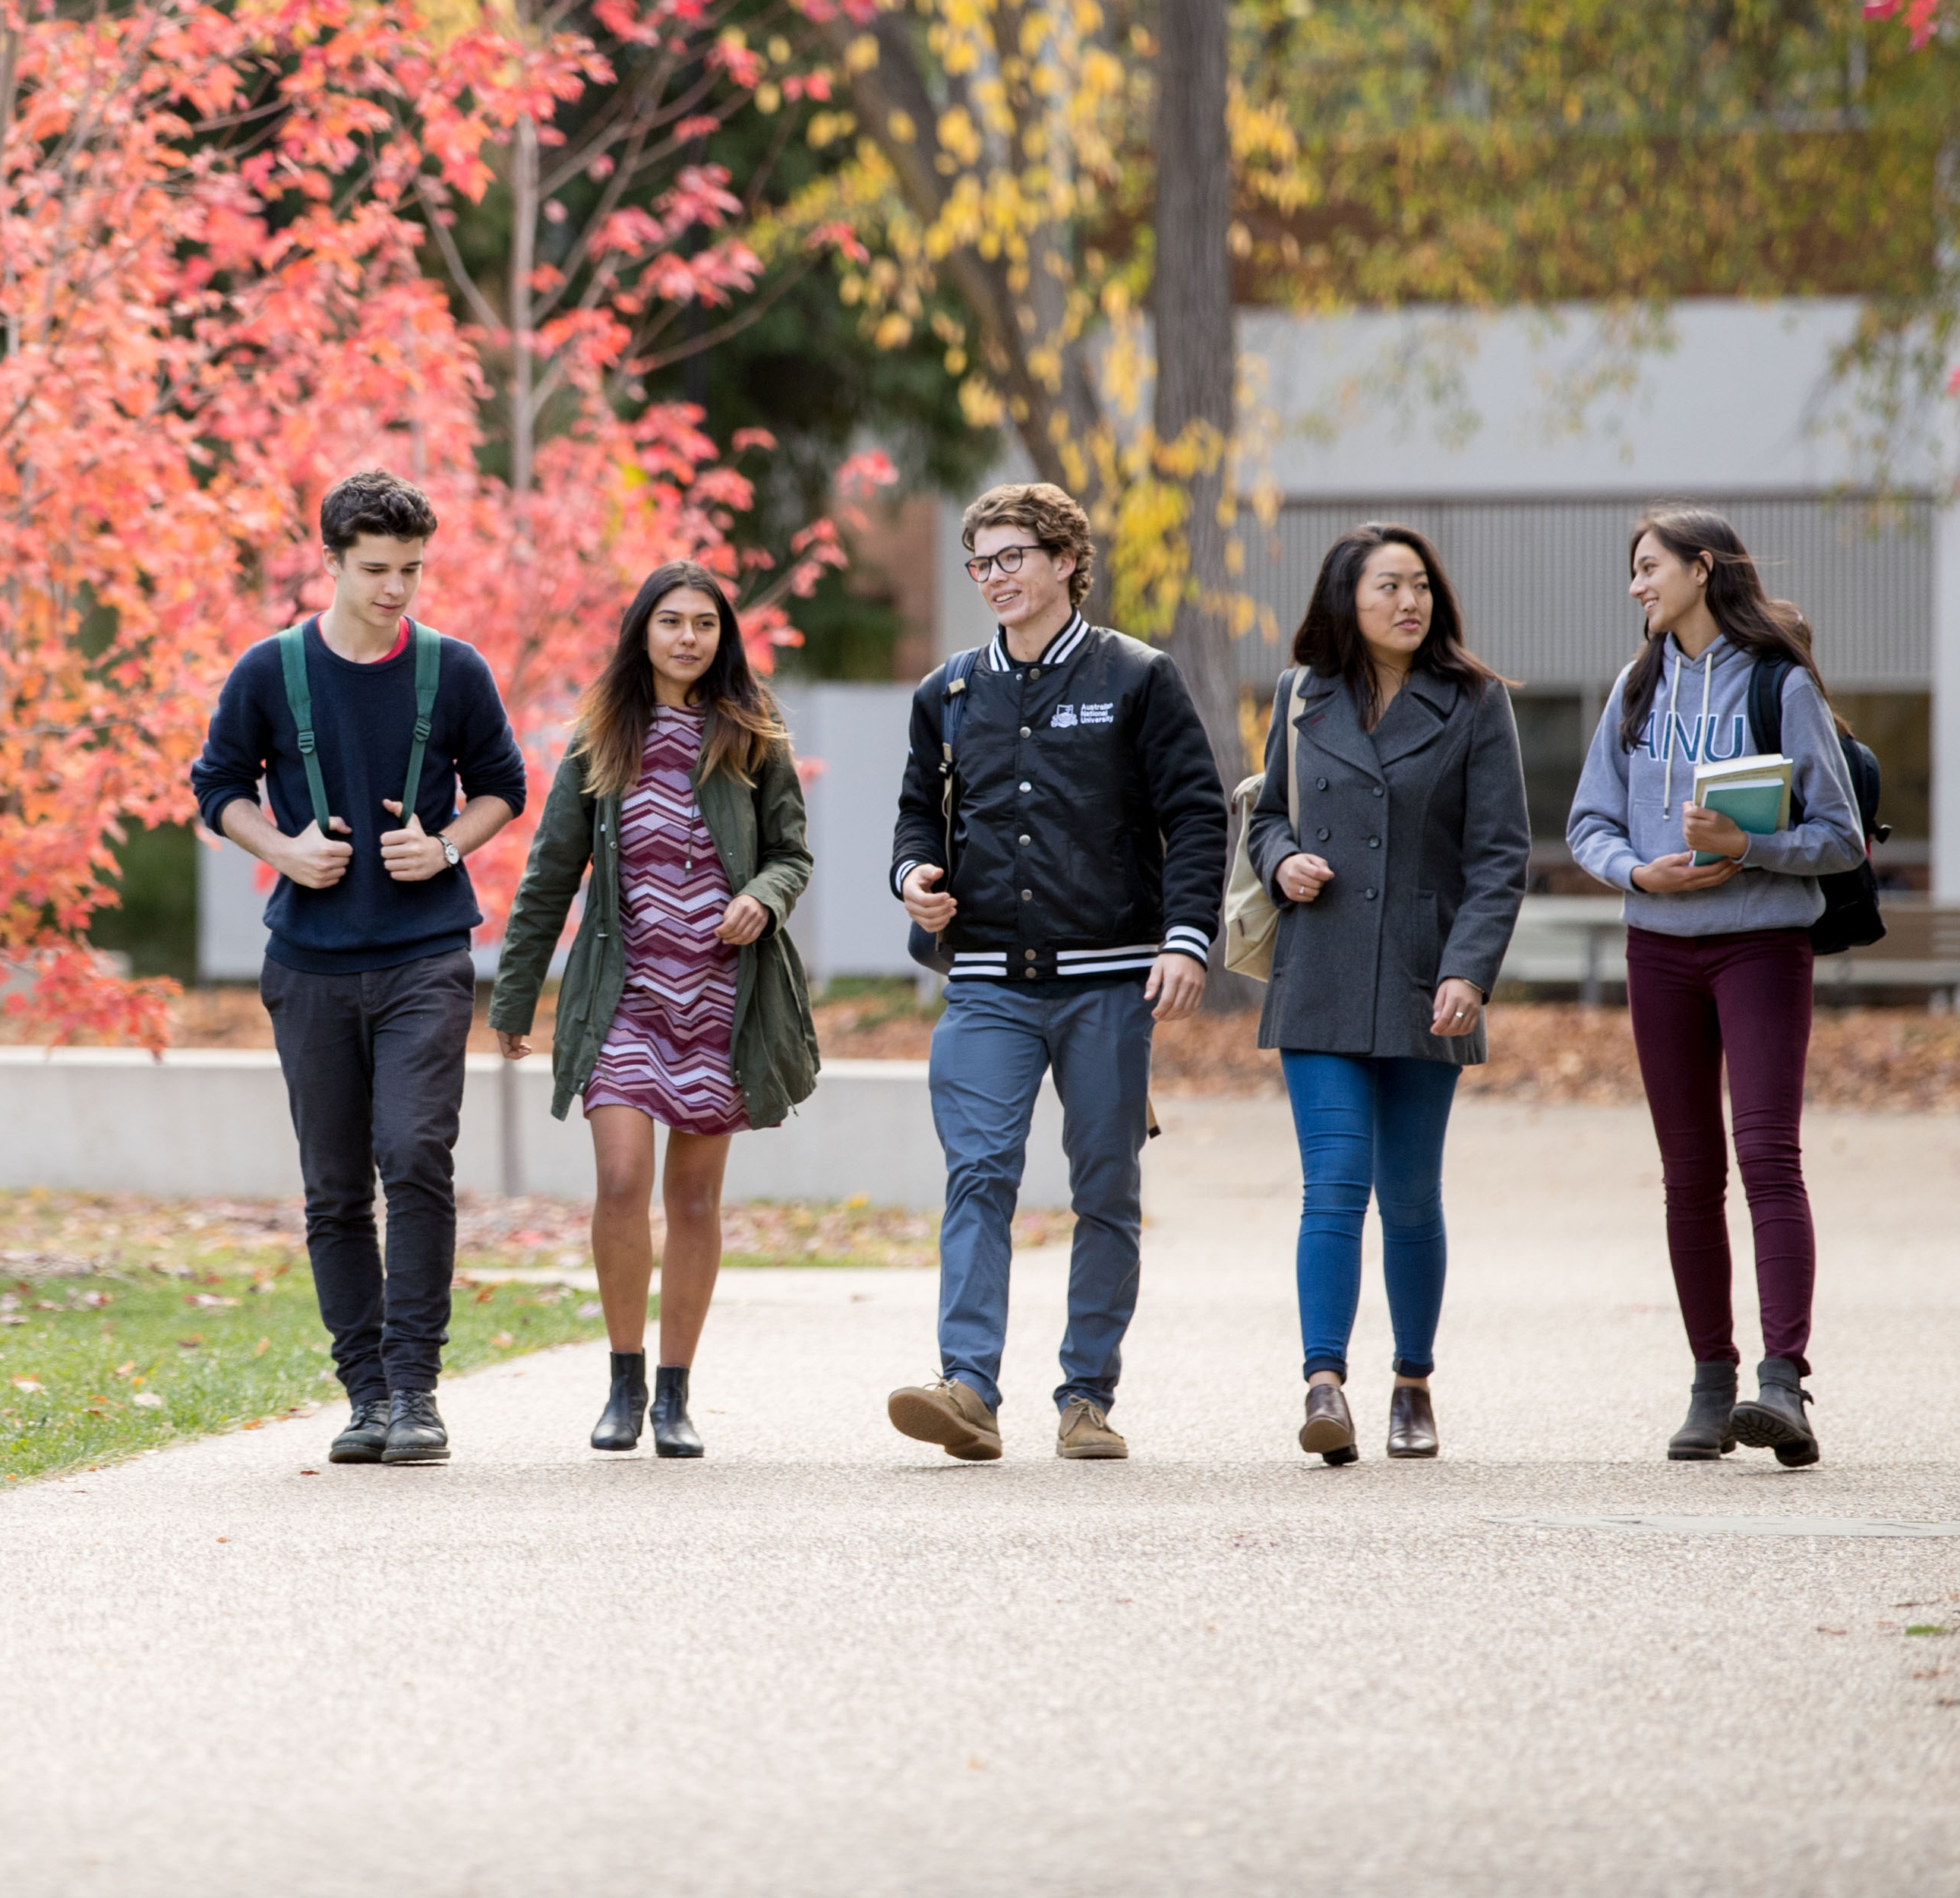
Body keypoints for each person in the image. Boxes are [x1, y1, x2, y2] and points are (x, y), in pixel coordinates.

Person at [885, 482, 1230, 1464]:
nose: (994, 577)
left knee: (1106, 1187)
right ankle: (968, 1387)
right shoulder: (947, 692)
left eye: (1012, 557)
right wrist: (913, 875)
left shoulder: (1138, 678)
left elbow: (1199, 815)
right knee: (980, 1172)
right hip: (987, 977)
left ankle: (1086, 1395)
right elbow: (915, 812)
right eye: (980, 563)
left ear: (1067, 559)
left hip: (1111, 977)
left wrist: (1185, 937)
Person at [191, 470, 529, 1467]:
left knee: (415, 1154)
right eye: (376, 570)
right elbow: (218, 784)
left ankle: (417, 1390)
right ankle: (366, 1394)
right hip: (310, 963)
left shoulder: (454, 670)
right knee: (335, 1186)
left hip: (426, 955)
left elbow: (503, 786)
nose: (396, 589)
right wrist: (284, 849)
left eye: (412, 570)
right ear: (329, 562)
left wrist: (449, 844)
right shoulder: (269, 670)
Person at [487, 564, 821, 1458]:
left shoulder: (752, 734)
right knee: (623, 1179)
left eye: (703, 624)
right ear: (641, 631)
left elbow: (792, 852)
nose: (686, 637)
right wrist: (514, 995)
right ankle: (623, 1378)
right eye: (669, 621)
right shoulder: (600, 741)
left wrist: (763, 893)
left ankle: (674, 1394)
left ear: (722, 637)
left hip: (720, 999)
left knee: (696, 1199)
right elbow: (549, 874)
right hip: (624, 998)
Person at [1566, 507, 1864, 1468]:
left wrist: (1751, 848)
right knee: (1688, 1175)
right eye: (1631, 571)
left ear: (1701, 568)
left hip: (1761, 944)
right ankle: (1709, 1381)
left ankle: (1782, 1383)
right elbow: (1586, 822)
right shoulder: (1635, 685)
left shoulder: (1778, 682)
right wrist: (1634, 871)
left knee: (1767, 1155)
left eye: (1648, 567)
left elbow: (1841, 835)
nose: (1635, 585)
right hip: (1657, 948)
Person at [1246, 524, 1529, 1465]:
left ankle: (1411, 1382)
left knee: (1409, 1196)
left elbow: (1498, 856)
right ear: (1346, 600)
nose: (1407, 602)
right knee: (1332, 1181)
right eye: (1386, 587)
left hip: (1424, 977)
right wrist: (1281, 860)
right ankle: (1322, 1382)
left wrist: (1467, 969)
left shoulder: (1474, 702)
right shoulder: (1299, 695)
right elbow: (1267, 813)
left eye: (1418, 587)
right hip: (1319, 970)